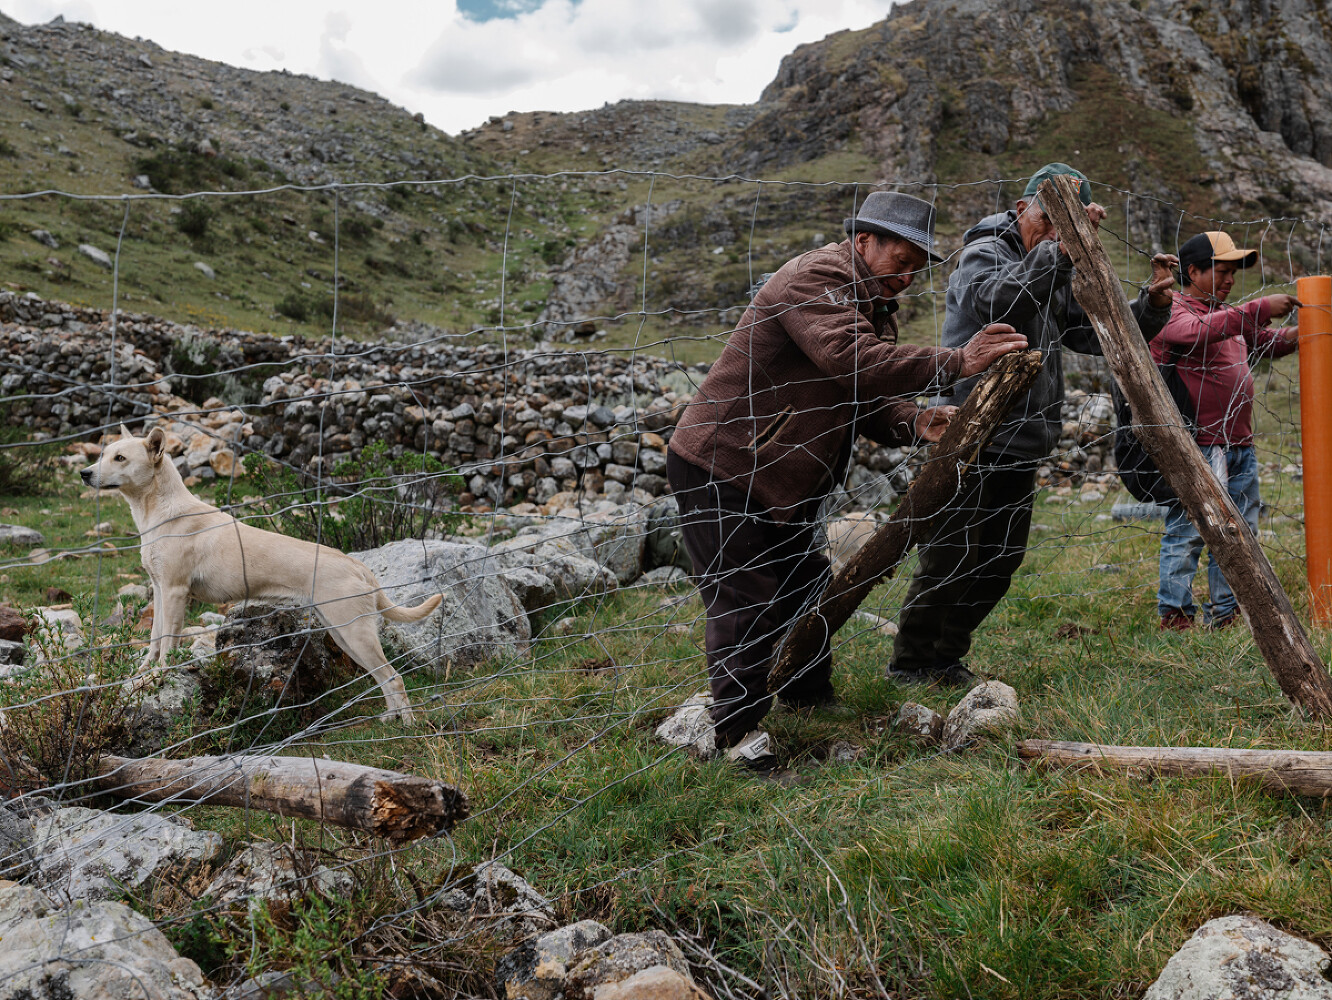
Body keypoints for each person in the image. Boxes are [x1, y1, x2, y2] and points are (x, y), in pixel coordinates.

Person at [666, 190, 1028, 771]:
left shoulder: (872, 302)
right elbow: (849, 359)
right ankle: (737, 736)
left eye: (916, 268)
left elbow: (859, 394)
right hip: (725, 463)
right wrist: (957, 361)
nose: (906, 277)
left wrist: (914, 421)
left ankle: (806, 697)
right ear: (864, 240)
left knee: (805, 585)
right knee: (745, 598)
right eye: (901, 261)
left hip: (780, 474)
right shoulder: (817, 278)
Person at [888, 163, 1178, 686]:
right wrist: (1060, 252)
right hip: (970, 436)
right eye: (1047, 219)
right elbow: (1000, 301)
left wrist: (1151, 306)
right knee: (951, 555)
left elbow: (1090, 332)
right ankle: (911, 664)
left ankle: (946, 658)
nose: (1052, 233)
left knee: (1000, 560)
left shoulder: (1051, 264)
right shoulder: (984, 252)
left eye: (1067, 226)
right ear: (1021, 208)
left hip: (1022, 442)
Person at [1153, 231, 1300, 630]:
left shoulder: (1227, 314)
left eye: (1234, 273)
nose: (1230, 280)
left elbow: (1264, 343)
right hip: (1198, 446)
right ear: (1192, 271)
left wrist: (1299, 334)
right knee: (1189, 529)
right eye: (1221, 271)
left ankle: (1227, 612)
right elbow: (1192, 332)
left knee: (1240, 532)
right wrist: (1257, 308)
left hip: (1240, 445)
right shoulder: (1171, 309)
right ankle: (1176, 615)